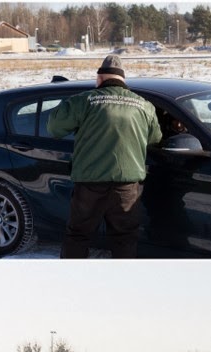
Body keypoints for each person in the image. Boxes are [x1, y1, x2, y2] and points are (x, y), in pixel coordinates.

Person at [46, 54, 162, 258]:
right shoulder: (144, 105)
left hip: (89, 185)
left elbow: (54, 128)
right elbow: (155, 138)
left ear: (99, 79)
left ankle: (71, 280)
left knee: (78, 235)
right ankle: (120, 283)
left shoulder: (84, 101)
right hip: (127, 188)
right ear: (123, 80)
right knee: (124, 238)